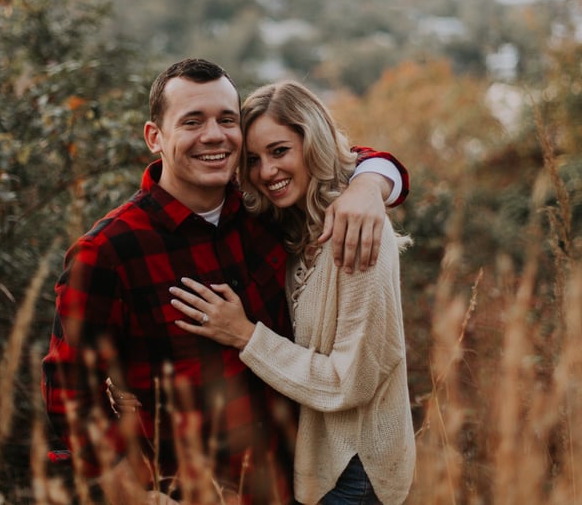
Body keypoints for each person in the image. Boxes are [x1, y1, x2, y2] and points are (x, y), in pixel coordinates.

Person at [41, 59, 408, 504]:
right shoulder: (110, 252)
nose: (214, 135)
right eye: (192, 121)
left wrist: (370, 184)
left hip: (290, 484)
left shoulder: (263, 214)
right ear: (155, 137)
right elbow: (70, 391)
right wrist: (126, 488)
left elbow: (331, 160)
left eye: (226, 120)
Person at [169, 81, 415, 505]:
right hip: (305, 459)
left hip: (353, 470)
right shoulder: (288, 224)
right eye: (253, 160)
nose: (266, 172)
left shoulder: (358, 236)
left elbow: (349, 382)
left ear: (313, 144)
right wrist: (373, 179)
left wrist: (244, 335)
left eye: (280, 151)